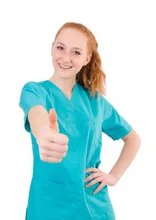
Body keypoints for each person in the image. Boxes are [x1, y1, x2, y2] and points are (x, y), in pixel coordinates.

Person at [19, 22, 142, 220]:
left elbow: (133, 138)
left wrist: (113, 176)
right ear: (52, 48)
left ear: (87, 58)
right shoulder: (35, 91)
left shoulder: (96, 101)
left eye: (76, 52)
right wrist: (44, 134)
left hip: (94, 207)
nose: (66, 58)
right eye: (60, 48)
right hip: (47, 206)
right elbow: (36, 114)